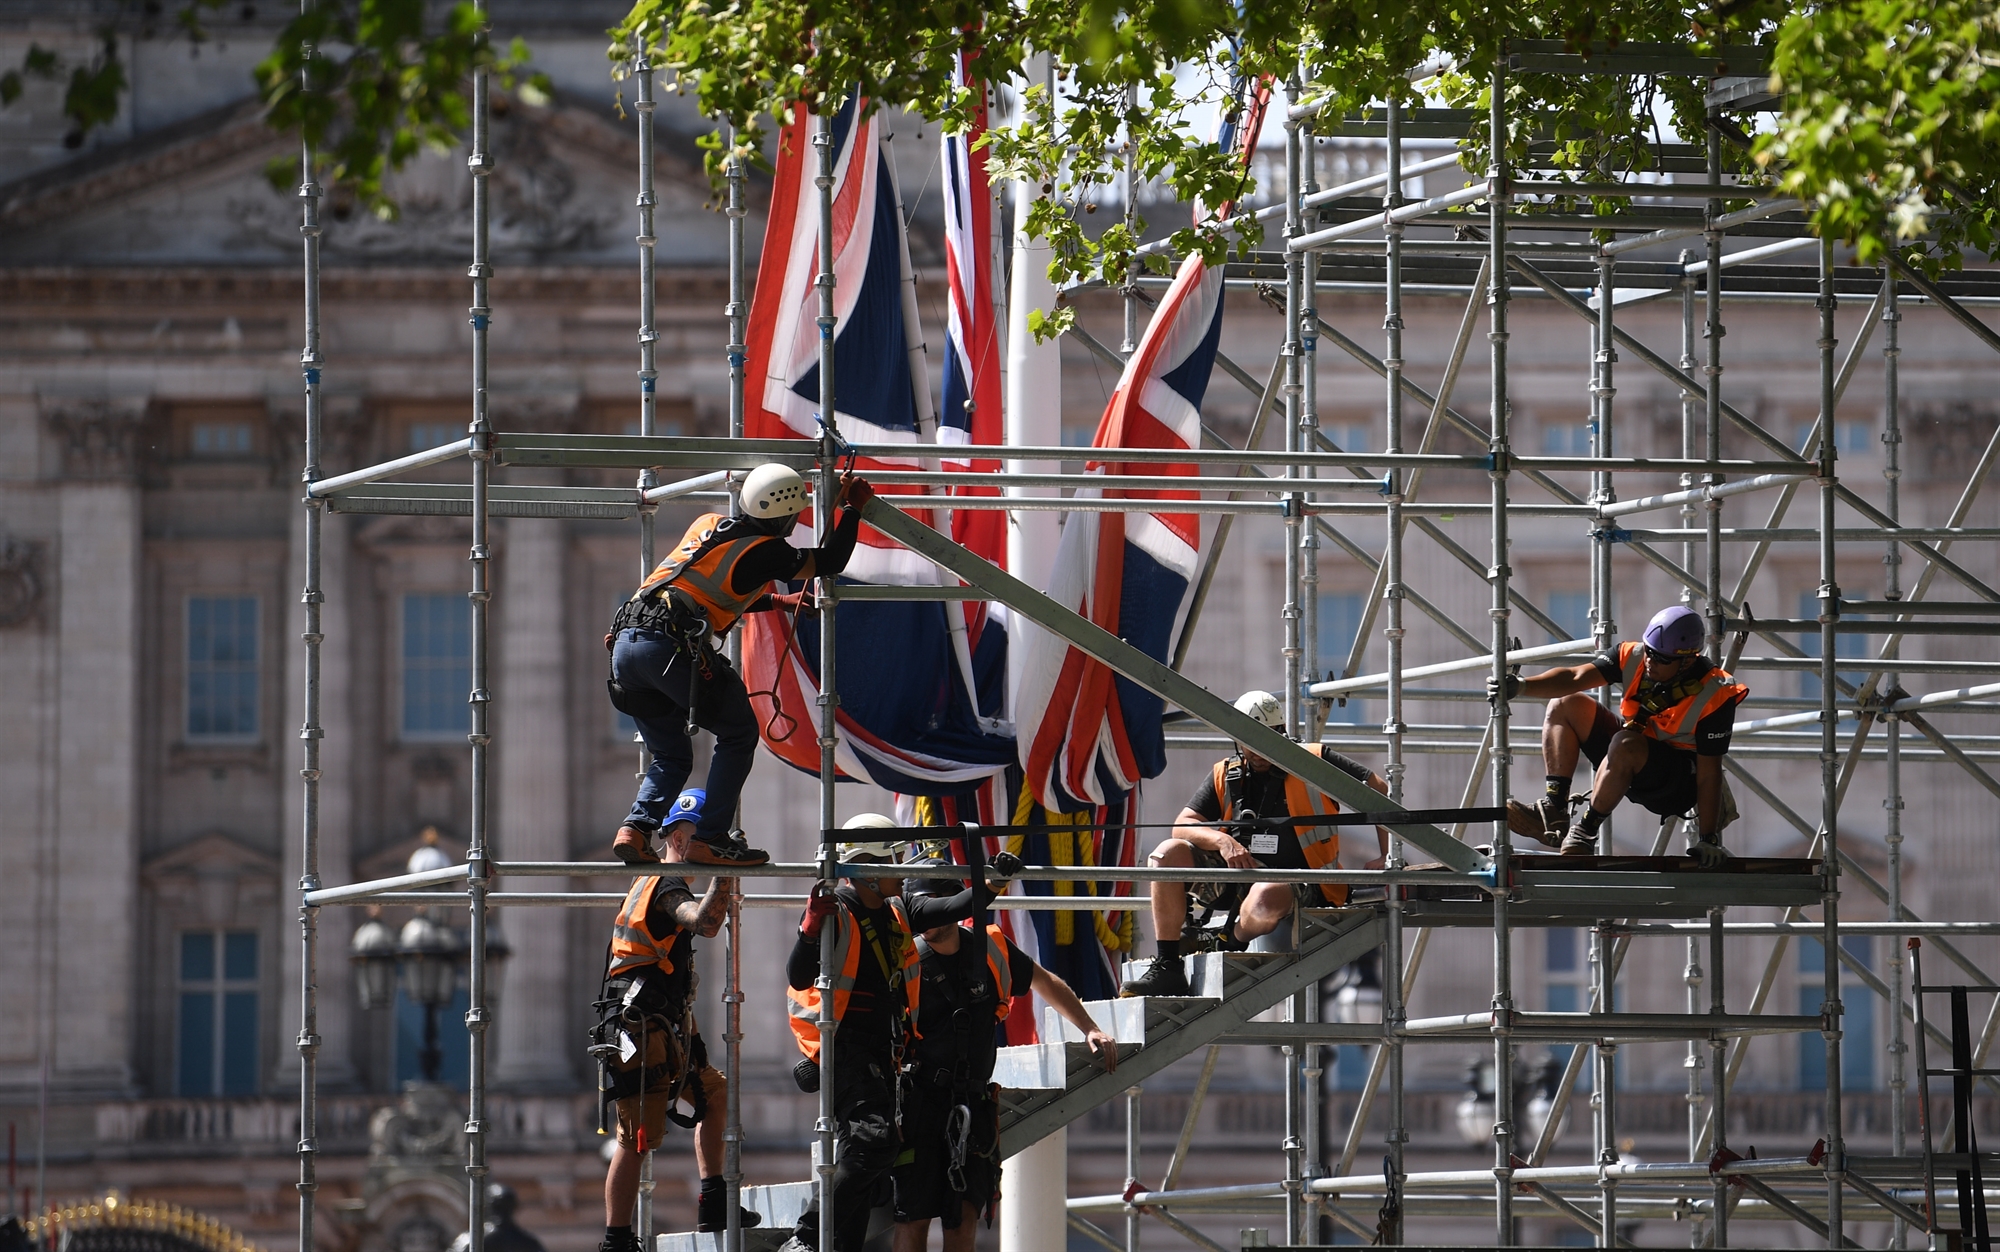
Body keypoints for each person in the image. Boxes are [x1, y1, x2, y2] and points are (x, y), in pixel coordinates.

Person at [605, 463, 876, 867]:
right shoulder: (769, 551)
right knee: (738, 732)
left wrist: (775, 601)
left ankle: (636, 827)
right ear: (783, 516)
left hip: (628, 646)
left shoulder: (708, 523)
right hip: (670, 649)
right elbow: (830, 560)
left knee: (672, 755)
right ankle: (711, 837)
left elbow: (707, 585)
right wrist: (853, 509)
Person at [776, 816, 1018, 1252]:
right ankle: (807, 1237)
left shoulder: (897, 911)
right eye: (894, 860)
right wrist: (809, 930)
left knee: (870, 1158)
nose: (903, 870)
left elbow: (954, 908)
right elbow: (797, 974)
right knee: (873, 1144)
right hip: (847, 1050)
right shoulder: (840, 910)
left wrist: (993, 881)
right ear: (868, 868)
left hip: (881, 1054)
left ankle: (832, 1243)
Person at [891, 860, 1117, 1252]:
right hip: (920, 1106)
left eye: (936, 905)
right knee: (913, 1220)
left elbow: (1046, 981)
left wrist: (1090, 1027)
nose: (928, 917)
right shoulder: (905, 959)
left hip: (974, 1107)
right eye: (921, 909)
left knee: (962, 1222)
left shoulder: (991, 947)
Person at [1120, 690, 1392, 999]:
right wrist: (1222, 841)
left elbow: (1378, 789)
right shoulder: (1227, 773)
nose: (1258, 751)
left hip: (1306, 882)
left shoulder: (1313, 761)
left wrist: (1387, 855)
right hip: (1238, 877)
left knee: (1265, 894)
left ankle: (1225, 940)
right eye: (1250, 742)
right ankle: (1167, 965)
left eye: (1266, 739)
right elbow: (1183, 824)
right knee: (1166, 854)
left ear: (1280, 734)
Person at [591, 791, 758, 1249]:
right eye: (708, 845)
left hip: (665, 1023)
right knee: (637, 1137)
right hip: (640, 1029)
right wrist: (729, 868)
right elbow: (704, 923)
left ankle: (713, 1200)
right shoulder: (665, 887)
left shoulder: (656, 881)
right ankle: (617, 1239)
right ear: (683, 843)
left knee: (713, 1092)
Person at [1495, 604, 1747, 863]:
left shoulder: (1715, 694)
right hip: (1628, 755)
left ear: (1688, 660)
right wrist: (1522, 686)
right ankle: (1553, 810)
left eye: (1662, 658)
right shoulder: (1632, 656)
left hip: (1675, 783)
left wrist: (1709, 840)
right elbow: (1574, 677)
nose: (1651, 661)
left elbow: (1709, 774)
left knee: (1626, 742)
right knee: (1565, 704)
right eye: (1650, 651)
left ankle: (1584, 832)